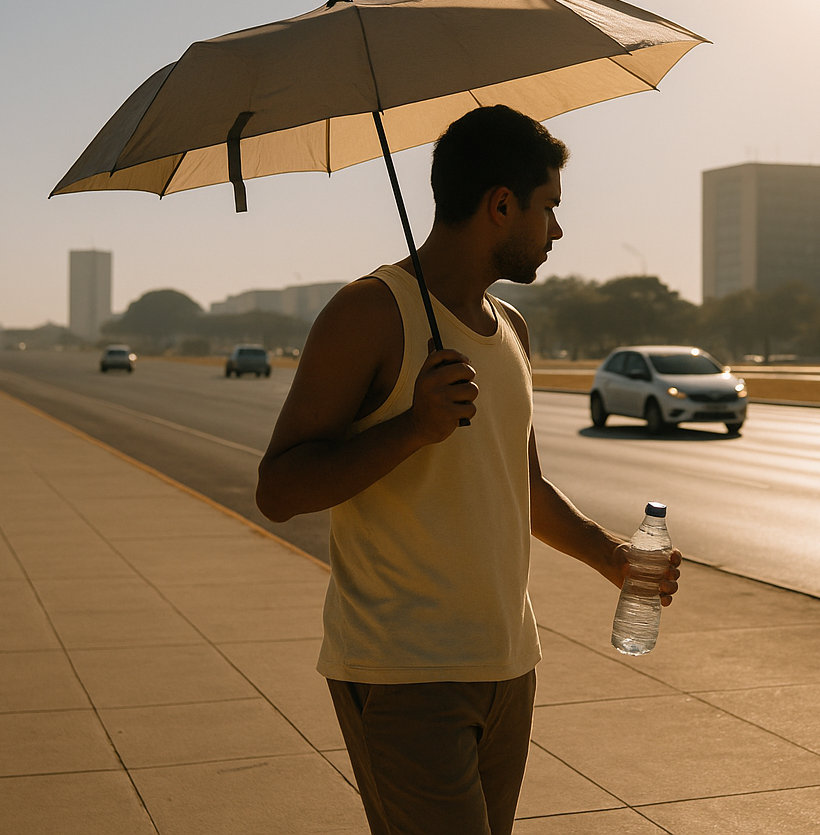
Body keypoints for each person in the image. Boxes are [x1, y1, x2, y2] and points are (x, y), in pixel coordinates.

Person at [255, 105, 681, 835]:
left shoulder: (510, 326)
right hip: (403, 670)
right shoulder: (367, 312)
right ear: (500, 205)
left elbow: (524, 486)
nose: (556, 231)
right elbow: (279, 489)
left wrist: (609, 556)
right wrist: (412, 428)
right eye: (548, 208)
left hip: (508, 664)